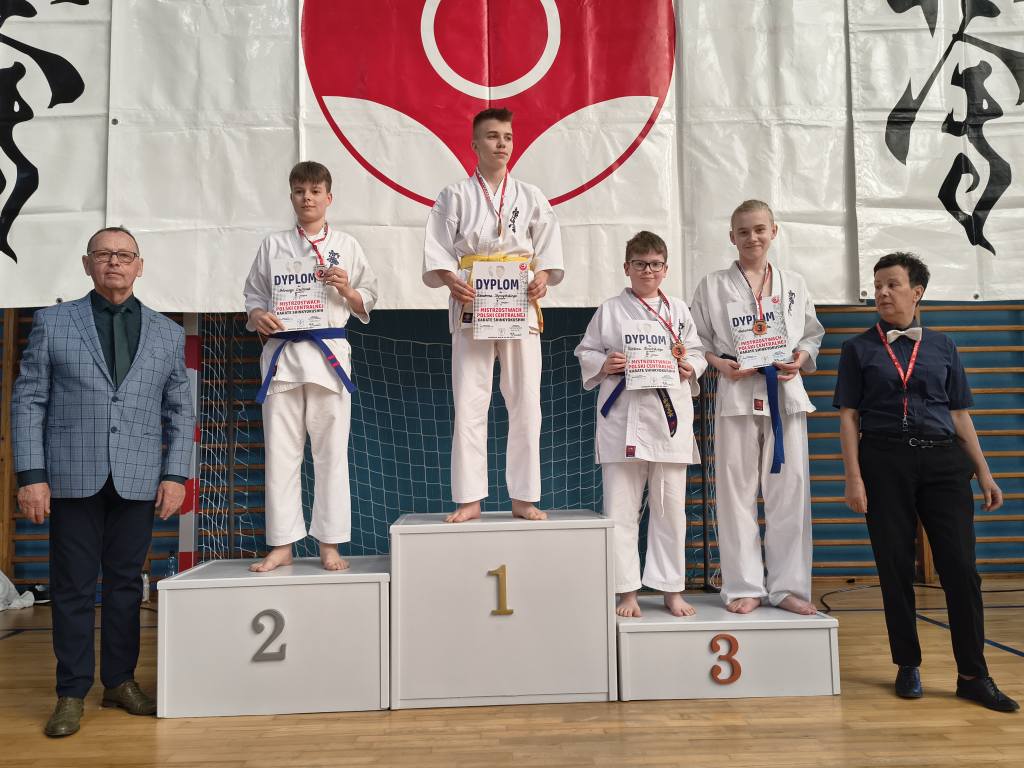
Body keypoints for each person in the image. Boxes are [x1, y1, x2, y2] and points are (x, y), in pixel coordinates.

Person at [11, 226, 195, 737]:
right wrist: (31, 476)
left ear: (140, 266)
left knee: (126, 586)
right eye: (103, 254)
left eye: (124, 255)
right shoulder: (53, 322)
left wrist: (175, 474)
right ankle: (71, 692)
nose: (114, 262)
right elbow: (28, 401)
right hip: (70, 477)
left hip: (140, 478)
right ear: (87, 264)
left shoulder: (167, 333)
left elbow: (181, 411)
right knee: (71, 587)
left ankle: (120, 681)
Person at [835, 252, 1018, 712]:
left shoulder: (943, 345)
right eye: (878, 285)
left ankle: (973, 675)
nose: (882, 293)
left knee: (961, 570)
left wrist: (984, 471)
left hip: (943, 463)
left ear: (917, 292)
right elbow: (849, 417)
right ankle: (907, 664)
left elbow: (959, 414)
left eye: (892, 284)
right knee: (894, 566)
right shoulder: (857, 348)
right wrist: (854, 477)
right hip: (883, 462)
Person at [423, 107, 564, 523]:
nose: (501, 144)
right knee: (470, 400)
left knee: (526, 401)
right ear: (474, 144)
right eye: (492, 136)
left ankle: (524, 496)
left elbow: (548, 251)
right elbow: (437, 250)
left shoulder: (531, 195)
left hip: (519, 300)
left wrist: (543, 277)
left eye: (507, 137)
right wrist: (450, 280)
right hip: (473, 300)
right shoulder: (454, 195)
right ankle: (470, 498)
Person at [243, 161, 378, 572]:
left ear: (328, 197)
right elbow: (253, 297)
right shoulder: (273, 245)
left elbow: (369, 297)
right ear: (291, 197)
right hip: (283, 359)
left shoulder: (347, 245)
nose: (307, 198)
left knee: (331, 455)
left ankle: (329, 544)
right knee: (281, 455)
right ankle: (282, 544)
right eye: (300, 191)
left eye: (315, 191)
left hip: (328, 359)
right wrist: (257, 316)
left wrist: (347, 289)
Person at [690, 200, 823, 615]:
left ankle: (788, 587)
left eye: (760, 229)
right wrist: (718, 364)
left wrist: (801, 358)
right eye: (744, 231)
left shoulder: (794, 283)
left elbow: (812, 335)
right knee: (735, 492)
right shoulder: (712, 285)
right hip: (737, 392)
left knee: (790, 492)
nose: (753, 237)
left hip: (784, 391)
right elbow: (696, 341)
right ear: (732, 237)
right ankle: (744, 585)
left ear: (774, 231)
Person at [576, 231, 706, 617]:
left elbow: (697, 351)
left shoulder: (679, 310)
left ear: (665, 269)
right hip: (624, 419)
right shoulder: (610, 310)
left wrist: (690, 366)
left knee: (670, 509)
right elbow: (586, 350)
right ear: (626, 267)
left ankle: (671, 589)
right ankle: (627, 591)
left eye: (655, 264)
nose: (648, 270)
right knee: (620, 510)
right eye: (640, 264)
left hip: (668, 421)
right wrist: (604, 363)